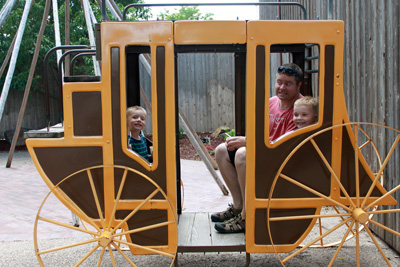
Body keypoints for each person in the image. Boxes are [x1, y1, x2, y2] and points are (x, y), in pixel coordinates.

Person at [212, 63, 304, 233]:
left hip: (282, 162)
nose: (281, 87)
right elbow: (259, 133)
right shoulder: (272, 102)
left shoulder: (301, 109)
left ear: (299, 85)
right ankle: (239, 205)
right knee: (221, 150)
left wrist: (246, 142)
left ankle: (247, 216)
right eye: (279, 82)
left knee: (242, 154)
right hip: (264, 154)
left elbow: (284, 144)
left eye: (288, 83)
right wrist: (242, 139)